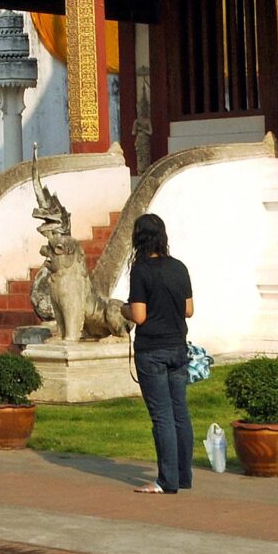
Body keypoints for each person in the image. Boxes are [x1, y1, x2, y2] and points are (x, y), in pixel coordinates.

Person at [124, 212, 195, 495]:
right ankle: (182, 475)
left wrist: (123, 309)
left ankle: (166, 481)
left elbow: (139, 316)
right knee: (180, 411)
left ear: (138, 239)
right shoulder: (179, 267)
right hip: (178, 346)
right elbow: (189, 310)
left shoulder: (141, 270)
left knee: (162, 415)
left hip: (152, 349)